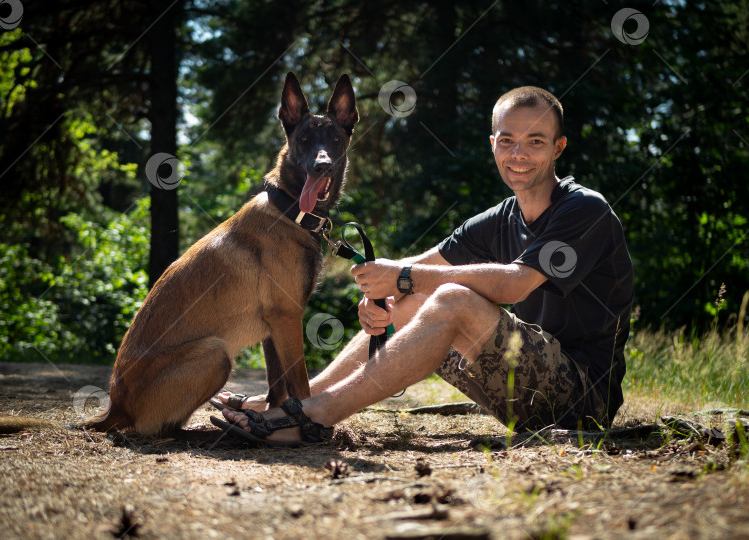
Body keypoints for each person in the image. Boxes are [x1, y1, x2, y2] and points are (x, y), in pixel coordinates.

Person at [213, 86, 634, 446]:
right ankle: (295, 406)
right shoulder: (500, 217)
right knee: (417, 293)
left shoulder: (584, 209)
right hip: (523, 389)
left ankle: (314, 418)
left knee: (449, 296)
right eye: (507, 140)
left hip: (582, 400)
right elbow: (418, 267)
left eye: (536, 141)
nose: (518, 154)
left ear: (559, 147)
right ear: (492, 144)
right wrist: (381, 290)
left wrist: (403, 277)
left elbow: (516, 284)